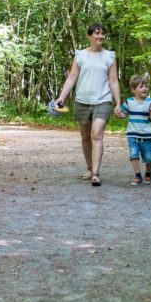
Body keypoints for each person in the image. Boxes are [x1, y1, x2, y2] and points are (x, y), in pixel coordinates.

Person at [54, 24, 124, 187]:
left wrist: (118, 103)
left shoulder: (110, 56)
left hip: (103, 100)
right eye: (97, 33)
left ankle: (95, 174)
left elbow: (113, 81)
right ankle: (89, 167)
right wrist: (61, 97)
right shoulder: (80, 55)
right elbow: (71, 78)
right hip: (82, 101)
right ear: (89, 36)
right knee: (85, 137)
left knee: (96, 134)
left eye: (102, 34)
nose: (100, 36)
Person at [121, 73, 151, 186]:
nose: (144, 88)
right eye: (141, 86)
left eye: (146, 86)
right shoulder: (129, 102)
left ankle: (148, 174)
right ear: (134, 89)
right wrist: (119, 114)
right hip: (133, 135)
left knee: (149, 157)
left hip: (146, 135)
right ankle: (137, 176)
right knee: (134, 155)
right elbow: (124, 115)